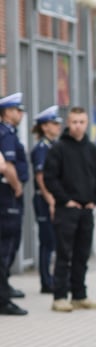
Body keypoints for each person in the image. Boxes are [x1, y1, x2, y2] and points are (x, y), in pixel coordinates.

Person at [44, 106, 96, 312]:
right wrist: (65, 200)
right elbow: (50, 178)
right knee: (64, 254)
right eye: (74, 122)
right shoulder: (59, 149)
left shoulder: (92, 150)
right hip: (67, 210)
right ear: (68, 123)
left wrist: (95, 199)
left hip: (86, 209)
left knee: (82, 254)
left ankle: (79, 295)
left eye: (81, 122)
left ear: (87, 123)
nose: (78, 126)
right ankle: (59, 296)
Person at [30, 105, 63, 294]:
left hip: (51, 199)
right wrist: (51, 200)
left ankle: (49, 279)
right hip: (44, 200)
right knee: (47, 241)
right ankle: (45, 282)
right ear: (44, 127)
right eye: (53, 123)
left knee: (52, 241)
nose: (57, 126)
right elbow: (40, 177)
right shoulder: (42, 148)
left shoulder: (53, 146)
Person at [0, 92, 29, 299]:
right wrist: (17, 186)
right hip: (8, 193)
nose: (20, 113)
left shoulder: (9, 132)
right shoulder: (6, 134)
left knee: (10, 243)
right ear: (8, 112)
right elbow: (7, 166)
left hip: (7, 192)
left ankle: (5, 287)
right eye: (18, 110)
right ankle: (3, 294)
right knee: (8, 243)